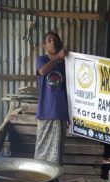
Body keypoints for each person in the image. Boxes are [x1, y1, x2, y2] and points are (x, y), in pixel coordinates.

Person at [34, 31, 69, 165]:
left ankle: (54, 181)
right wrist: (56, 57)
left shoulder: (65, 64)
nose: (53, 42)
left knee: (57, 154)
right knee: (42, 152)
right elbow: (42, 71)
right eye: (49, 40)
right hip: (46, 113)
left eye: (55, 40)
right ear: (44, 46)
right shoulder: (42, 60)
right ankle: (41, 180)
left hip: (61, 113)